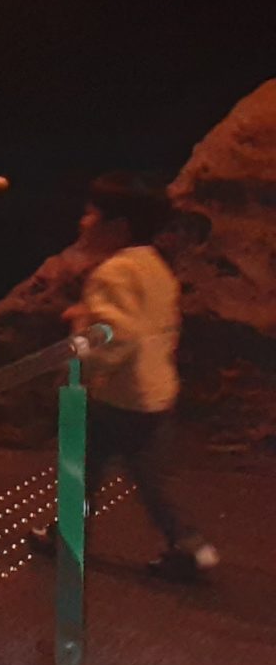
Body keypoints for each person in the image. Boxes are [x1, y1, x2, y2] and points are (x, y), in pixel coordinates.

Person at [66, 172, 216, 580]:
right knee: (152, 482)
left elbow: (117, 335)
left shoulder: (113, 273)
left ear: (117, 227)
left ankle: (68, 536)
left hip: (116, 396)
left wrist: (80, 354)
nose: (83, 221)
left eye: (91, 214)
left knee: (81, 467)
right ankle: (191, 546)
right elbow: (153, 325)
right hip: (154, 393)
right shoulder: (155, 267)